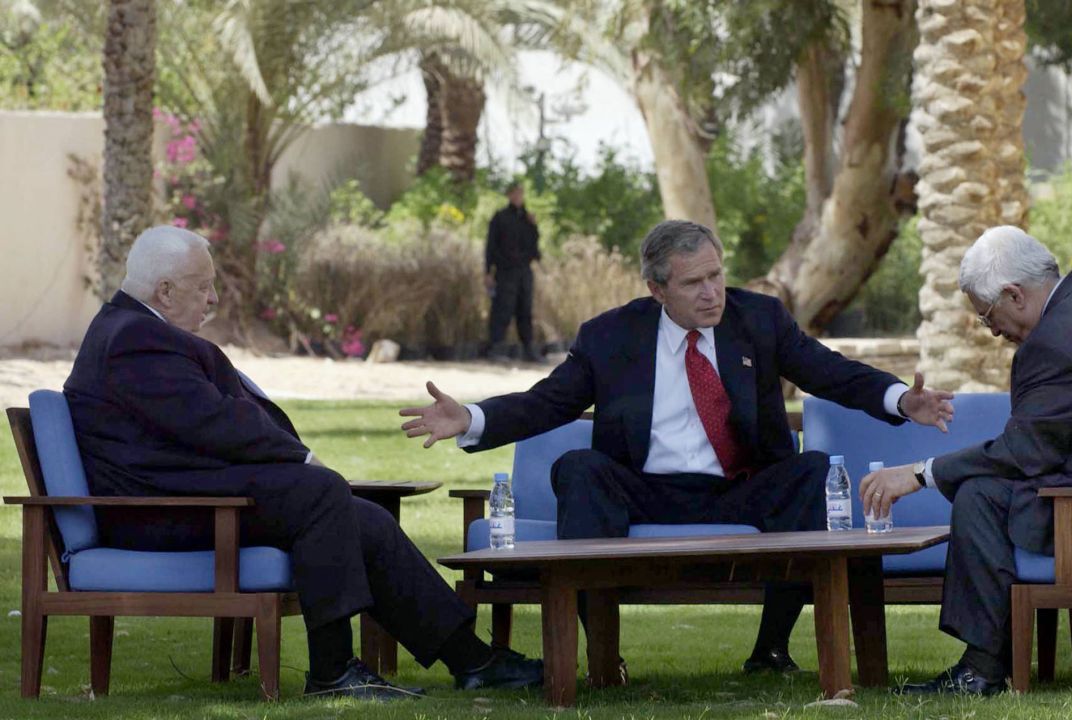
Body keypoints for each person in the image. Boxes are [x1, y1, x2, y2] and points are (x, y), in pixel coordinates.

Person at [400, 219, 955, 673]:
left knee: (809, 472)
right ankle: (603, 658)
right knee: (579, 468)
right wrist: (471, 417)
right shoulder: (610, 336)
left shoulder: (759, 319)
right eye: (693, 283)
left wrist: (901, 399)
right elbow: (547, 403)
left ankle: (770, 651)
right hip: (645, 490)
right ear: (657, 289)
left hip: (740, 488)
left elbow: (829, 371)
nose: (711, 292)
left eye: (716, 275)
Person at [63, 226, 543, 700]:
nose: (213, 299)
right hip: (156, 513)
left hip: (186, 496)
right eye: (203, 286)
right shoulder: (132, 338)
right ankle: (332, 673)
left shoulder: (135, 330)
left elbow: (189, 428)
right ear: (165, 291)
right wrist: (303, 459)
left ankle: (473, 662)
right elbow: (212, 422)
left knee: (366, 518)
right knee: (320, 492)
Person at [859, 226, 1072, 696]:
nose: (992, 331)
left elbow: (1024, 452)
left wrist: (920, 474)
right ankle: (988, 663)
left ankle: (982, 670)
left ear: (1014, 294)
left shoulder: (1055, 340)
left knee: (982, 497)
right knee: (989, 492)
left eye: (988, 316)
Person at [484, 181, 542, 362]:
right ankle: (496, 349)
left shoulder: (527, 218)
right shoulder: (500, 217)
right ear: (509, 195)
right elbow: (490, 246)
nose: (518, 197)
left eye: (520, 193)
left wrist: (534, 226)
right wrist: (488, 271)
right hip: (505, 271)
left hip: (524, 271)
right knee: (502, 309)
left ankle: (528, 349)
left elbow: (534, 244)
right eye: (514, 193)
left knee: (525, 309)